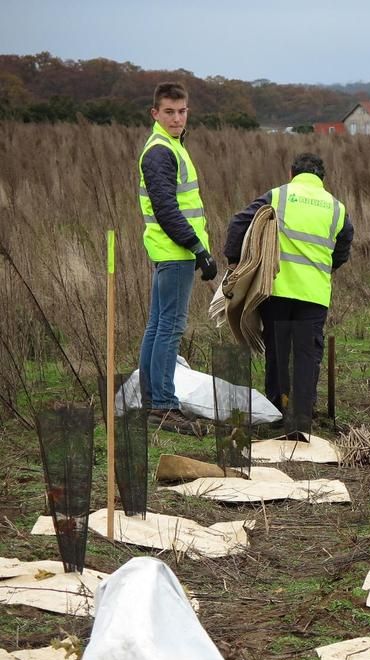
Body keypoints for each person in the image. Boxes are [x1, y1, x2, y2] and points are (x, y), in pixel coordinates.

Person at [223, 153, 354, 431]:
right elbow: (343, 247)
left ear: (291, 172)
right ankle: (301, 420)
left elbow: (239, 222)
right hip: (314, 294)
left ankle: (276, 412)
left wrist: (235, 262)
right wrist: (326, 269)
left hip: (277, 290)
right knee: (307, 356)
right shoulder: (337, 208)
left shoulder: (279, 196)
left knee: (279, 352)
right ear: (322, 179)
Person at [137, 81, 217, 433]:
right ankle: (164, 406)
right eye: (169, 111)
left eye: (182, 111)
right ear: (155, 113)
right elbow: (167, 210)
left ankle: (152, 399)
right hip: (176, 252)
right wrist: (198, 248)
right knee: (169, 328)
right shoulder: (159, 152)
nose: (176, 117)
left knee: (157, 326)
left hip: (171, 251)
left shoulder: (170, 146)